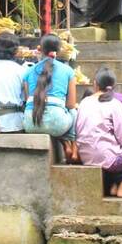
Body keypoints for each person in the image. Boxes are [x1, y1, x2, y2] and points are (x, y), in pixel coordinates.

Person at [75, 68, 122, 198]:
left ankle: (114, 186)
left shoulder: (84, 102)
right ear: (114, 86)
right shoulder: (115, 104)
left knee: (113, 150)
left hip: (85, 157)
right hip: (107, 159)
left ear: (95, 84)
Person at [23, 34, 79, 162]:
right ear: (59, 50)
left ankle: (67, 145)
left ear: (40, 49)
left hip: (30, 124)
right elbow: (70, 104)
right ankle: (71, 145)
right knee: (74, 111)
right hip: (58, 125)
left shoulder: (28, 71)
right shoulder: (68, 71)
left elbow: (27, 101)